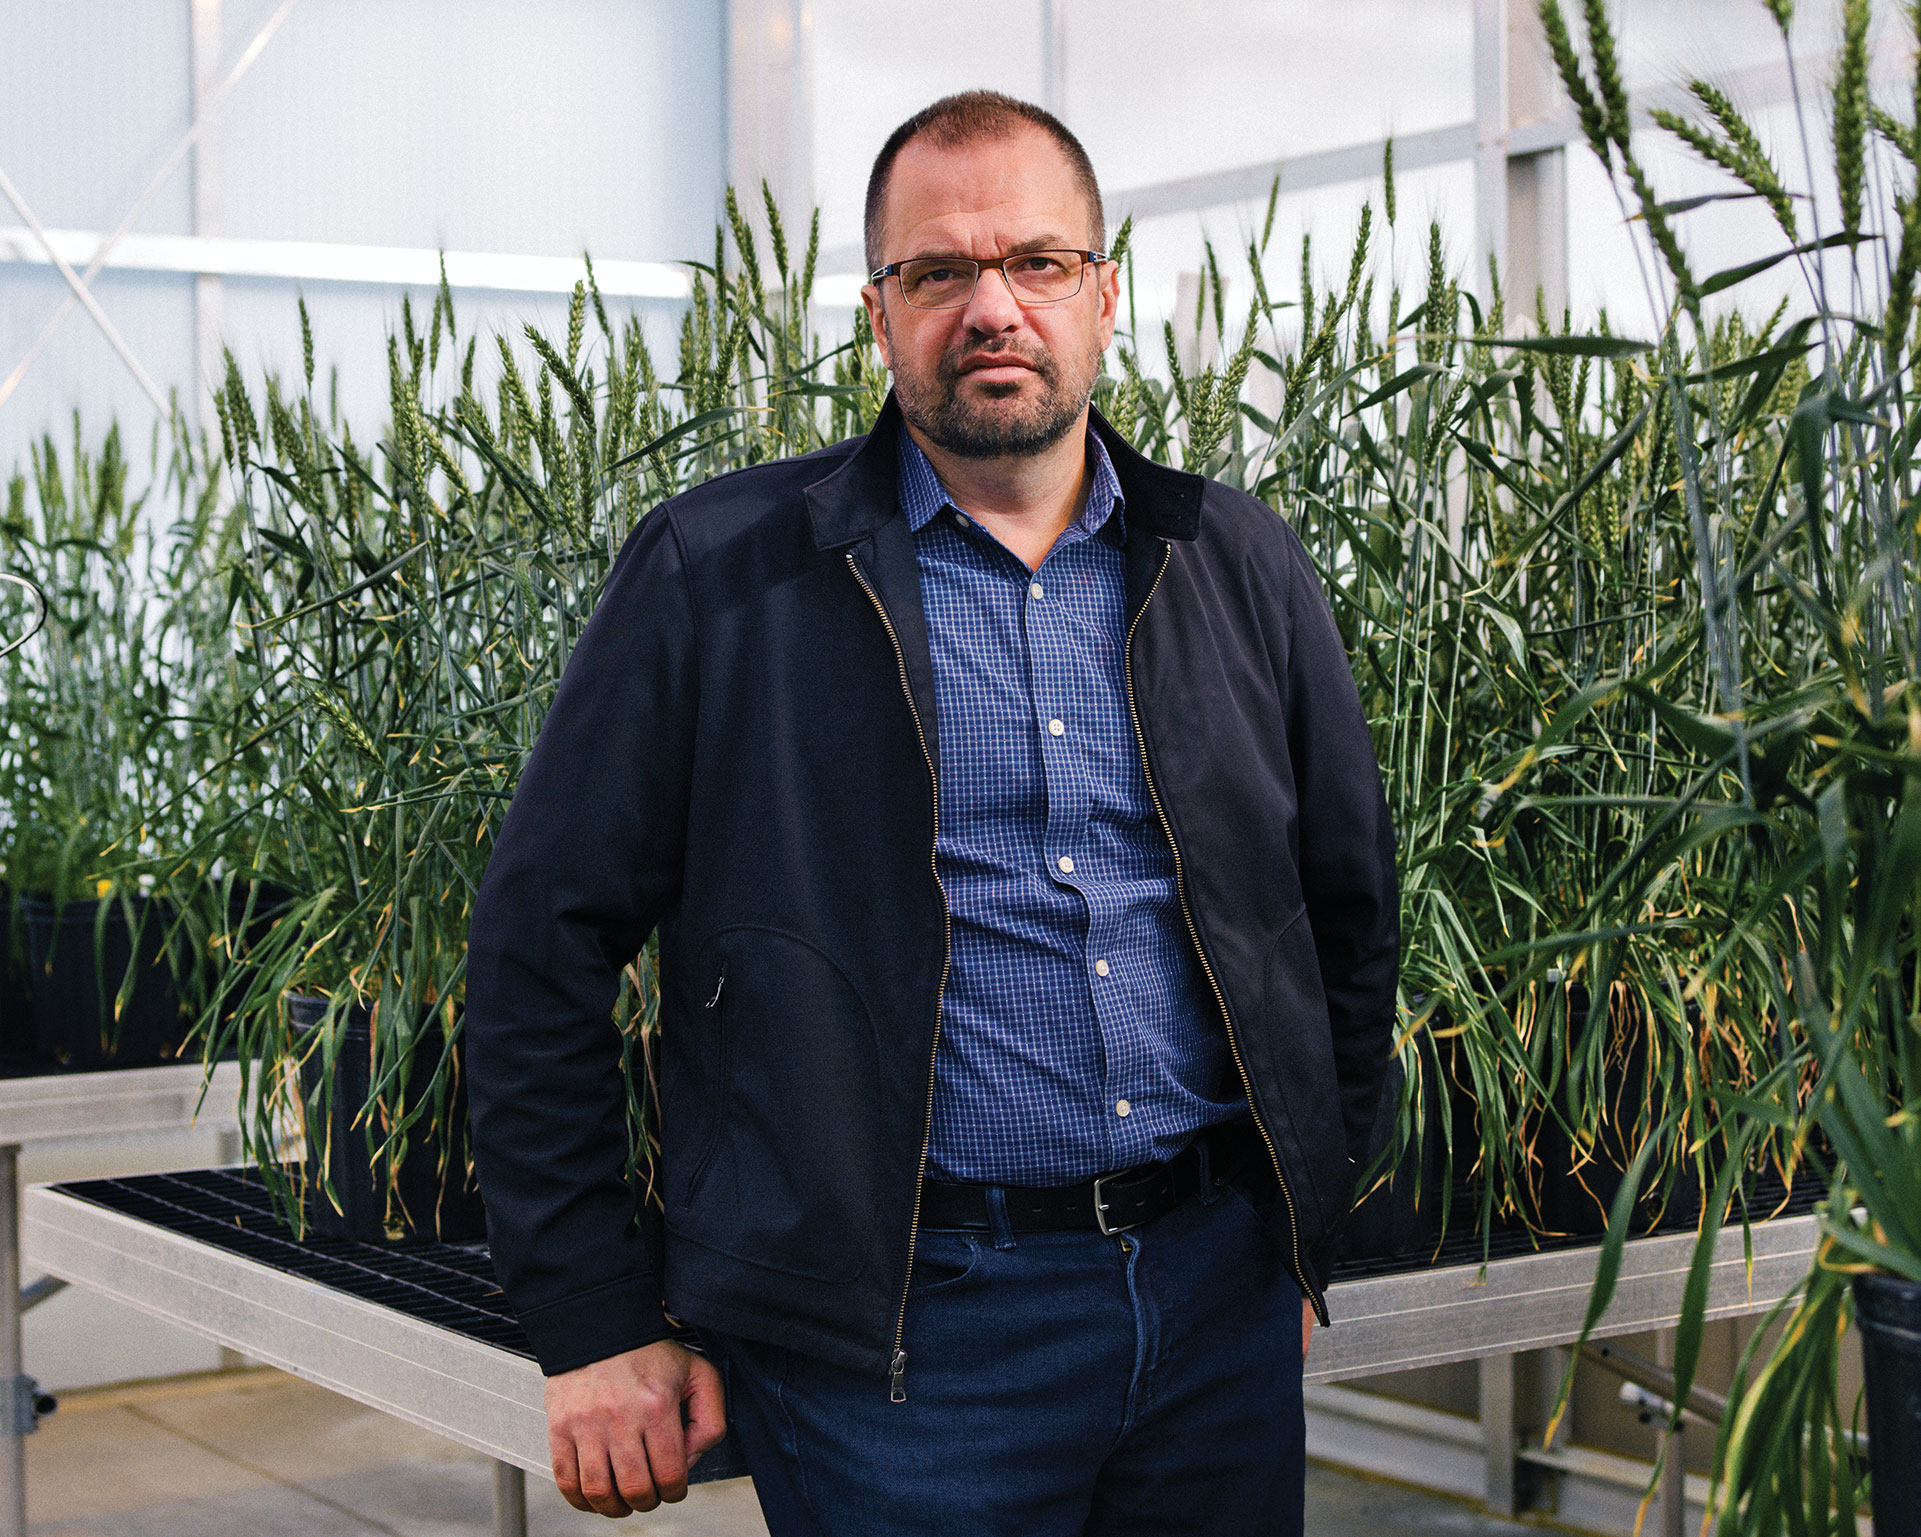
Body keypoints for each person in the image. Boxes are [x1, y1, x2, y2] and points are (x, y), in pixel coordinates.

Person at [464, 89, 1397, 1537]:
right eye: (938, 272)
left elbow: (1343, 914)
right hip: (907, 1347)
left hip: (1213, 1304)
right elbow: (538, 948)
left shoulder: (1232, 562)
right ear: (877, 311)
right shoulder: (723, 575)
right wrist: (591, 1315)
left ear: (1103, 295)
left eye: (1034, 263)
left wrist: (1297, 1232)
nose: (991, 307)